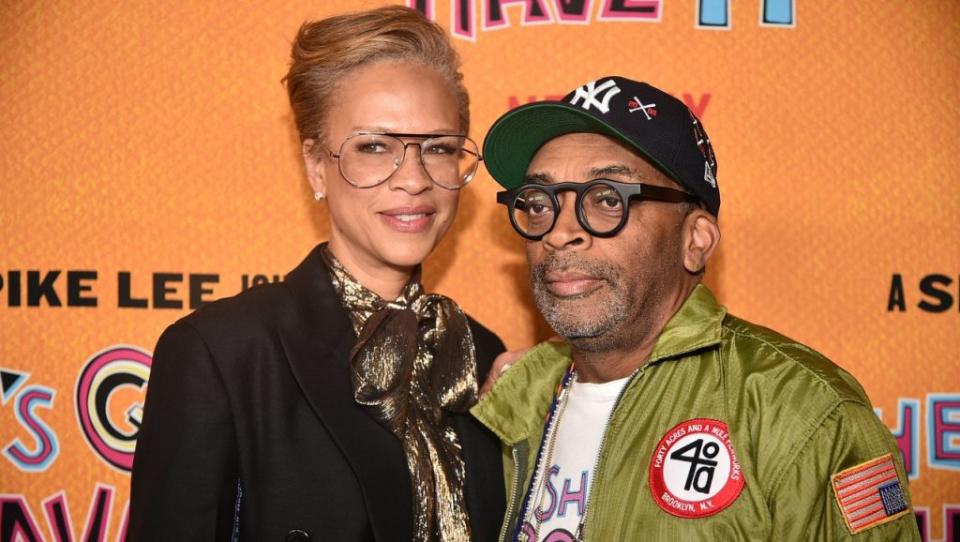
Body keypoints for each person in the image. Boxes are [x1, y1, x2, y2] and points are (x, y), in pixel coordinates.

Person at [472, 76, 919, 541]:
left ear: (695, 241)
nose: (559, 232)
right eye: (540, 202)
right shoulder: (516, 394)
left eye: (607, 199)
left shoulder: (802, 411)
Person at [129, 7, 505, 541]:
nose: (415, 180)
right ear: (315, 165)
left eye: (439, 149)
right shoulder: (222, 354)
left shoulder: (478, 355)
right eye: (375, 147)